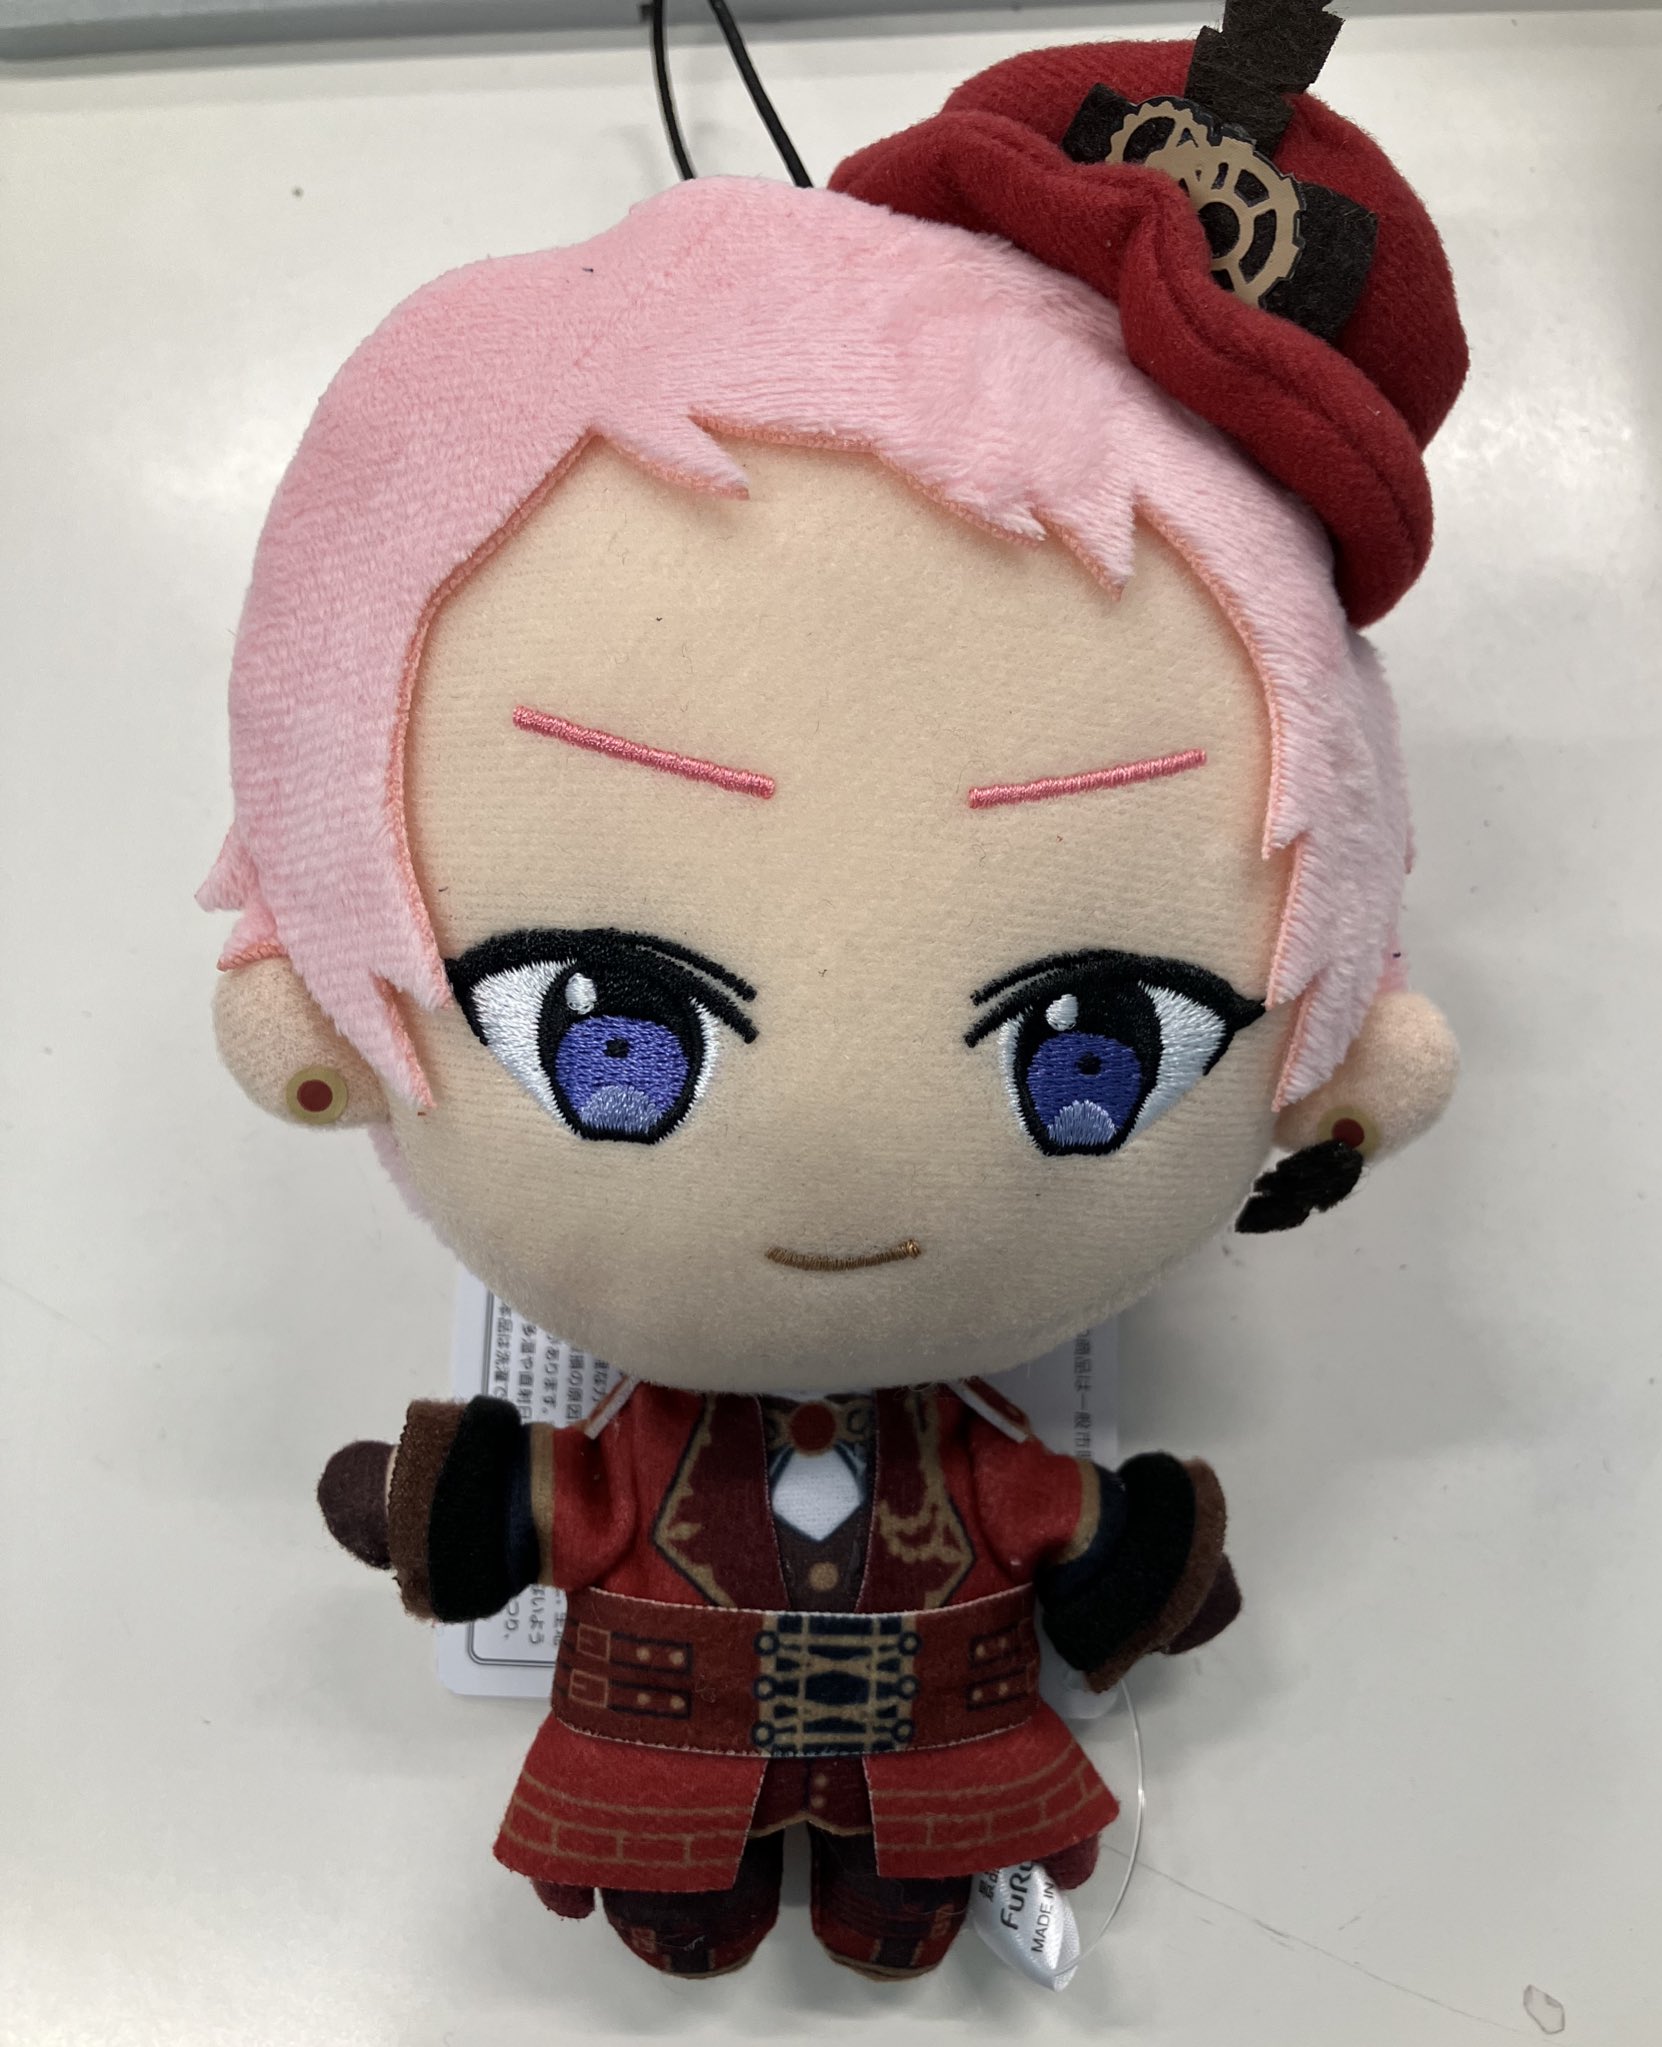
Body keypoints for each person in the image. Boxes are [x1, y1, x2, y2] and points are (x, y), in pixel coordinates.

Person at [203, 24, 1464, 1982]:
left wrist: (1134, 1554)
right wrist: (453, 1503)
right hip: (677, 1724)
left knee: (909, 1870)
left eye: (1091, 1044)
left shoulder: (934, 1455)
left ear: (1336, 1063)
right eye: (607, 1029)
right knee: (673, 1863)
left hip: (928, 1737)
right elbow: (567, 1497)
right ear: (311, 1009)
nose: (839, 1152)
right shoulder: (755, 1447)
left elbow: (1044, 1518)